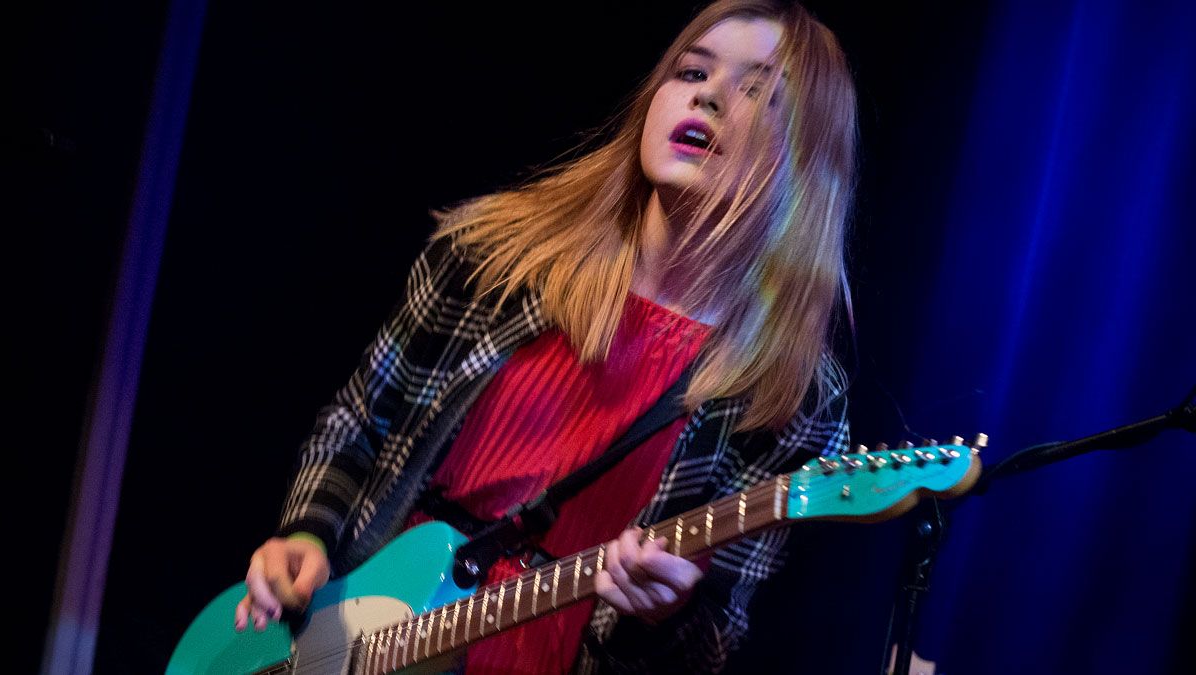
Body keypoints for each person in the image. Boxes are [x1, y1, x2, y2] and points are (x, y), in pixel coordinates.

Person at [234, 1, 857, 672]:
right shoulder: (495, 253)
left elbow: (715, 636)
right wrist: (307, 529)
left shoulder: (795, 395)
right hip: (356, 639)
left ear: (807, 154)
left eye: (759, 90)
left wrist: (663, 615)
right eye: (690, 71)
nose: (709, 94)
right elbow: (360, 421)